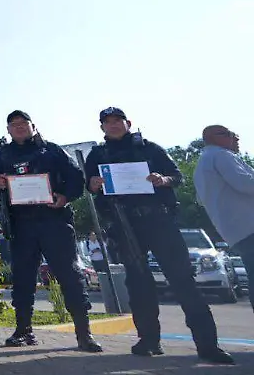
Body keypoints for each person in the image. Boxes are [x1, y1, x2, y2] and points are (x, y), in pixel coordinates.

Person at [85, 107, 232, 364]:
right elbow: (87, 183)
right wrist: (93, 183)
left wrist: (162, 179)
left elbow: (178, 177)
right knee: (138, 283)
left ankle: (208, 345)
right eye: (107, 122)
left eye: (117, 121)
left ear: (127, 123)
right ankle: (149, 341)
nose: (113, 125)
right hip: (123, 223)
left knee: (183, 280)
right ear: (102, 128)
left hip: (158, 219)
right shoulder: (97, 154)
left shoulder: (150, 148)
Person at [0, 111, 102, 352]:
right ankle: (23, 330)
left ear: (33, 126)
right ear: (8, 130)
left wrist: (65, 197)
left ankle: (83, 333)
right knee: (23, 279)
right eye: (14, 125)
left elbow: (77, 180)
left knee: (70, 276)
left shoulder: (53, 151)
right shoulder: (1, 154)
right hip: (20, 225)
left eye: (23, 123)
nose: (19, 127)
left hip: (54, 221)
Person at [194, 124, 254, 314]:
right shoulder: (221, 156)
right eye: (229, 134)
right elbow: (245, 184)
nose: (235, 138)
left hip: (236, 229)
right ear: (212, 138)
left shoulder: (203, 162)